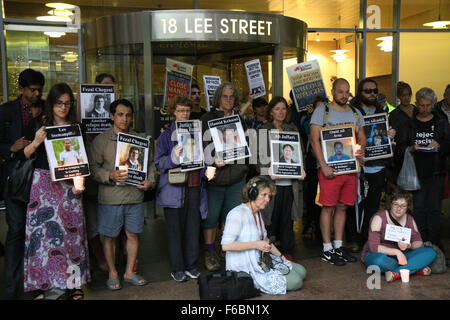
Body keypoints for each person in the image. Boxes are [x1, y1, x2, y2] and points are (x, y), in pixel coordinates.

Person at [19, 83, 90, 300]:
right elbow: (24, 155)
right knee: (42, 237)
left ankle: (74, 284)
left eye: (67, 103)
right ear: (51, 103)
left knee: (73, 234)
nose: (64, 107)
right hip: (43, 184)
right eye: (59, 103)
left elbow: (82, 161)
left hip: (69, 184)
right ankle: (42, 284)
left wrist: (80, 182)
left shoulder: (78, 127)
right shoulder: (37, 125)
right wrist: (38, 141)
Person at [89, 98, 156, 290]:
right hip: (110, 198)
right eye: (120, 114)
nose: (124, 119)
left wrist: (150, 181)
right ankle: (112, 272)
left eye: (128, 115)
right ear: (112, 116)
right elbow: (92, 168)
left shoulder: (139, 139)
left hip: (134, 196)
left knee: (133, 235)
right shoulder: (101, 140)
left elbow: (150, 165)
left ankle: (129, 272)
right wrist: (109, 175)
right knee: (109, 237)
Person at [309, 78, 366, 266]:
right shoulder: (321, 111)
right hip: (330, 169)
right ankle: (327, 248)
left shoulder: (356, 113)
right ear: (333, 91)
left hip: (350, 169)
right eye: (340, 92)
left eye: (347, 92)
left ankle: (339, 246)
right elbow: (314, 140)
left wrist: (360, 149)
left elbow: (362, 137)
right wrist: (323, 165)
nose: (344, 95)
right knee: (328, 207)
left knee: (343, 207)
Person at [155, 96, 212, 282]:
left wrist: (209, 169)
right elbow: (158, 163)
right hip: (173, 189)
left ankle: (191, 265)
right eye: (180, 110)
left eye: (187, 110)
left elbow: (205, 158)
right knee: (174, 230)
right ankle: (177, 268)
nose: (184, 114)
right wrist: (172, 157)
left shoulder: (198, 134)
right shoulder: (165, 135)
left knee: (193, 228)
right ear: (173, 112)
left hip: (195, 186)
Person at [0, 68, 45, 300]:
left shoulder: (47, 109)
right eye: (32, 90)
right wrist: (10, 148)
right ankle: (10, 290)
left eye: (39, 90)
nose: (36, 94)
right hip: (16, 181)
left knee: (38, 234)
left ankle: (36, 285)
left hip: (41, 181)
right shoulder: (7, 111)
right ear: (21, 89)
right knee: (17, 232)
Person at [221, 176, 307, 294]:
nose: (267, 199)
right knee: (297, 281)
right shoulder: (236, 214)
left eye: (269, 196)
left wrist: (282, 258)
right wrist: (256, 245)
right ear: (253, 193)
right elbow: (226, 246)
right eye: (264, 195)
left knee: (302, 271)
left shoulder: (257, 213)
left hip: (260, 259)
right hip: (244, 265)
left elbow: (266, 240)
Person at [200, 82, 249, 271]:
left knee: (232, 217)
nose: (228, 100)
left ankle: (226, 249)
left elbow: (244, 145)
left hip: (236, 177)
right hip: (215, 178)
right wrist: (212, 161)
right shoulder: (207, 118)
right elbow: (202, 146)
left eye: (232, 97)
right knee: (211, 218)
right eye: (225, 97)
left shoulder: (239, 119)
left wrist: (243, 169)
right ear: (218, 98)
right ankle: (210, 251)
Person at [395, 88, 450, 248]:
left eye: (428, 105)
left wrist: (439, 145)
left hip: (436, 171)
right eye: (421, 105)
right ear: (416, 104)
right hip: (415, 173)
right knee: (418, 209)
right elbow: (399, 147)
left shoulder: (441, 121)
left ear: (433, 104)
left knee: (434, 208)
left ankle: (434, 244)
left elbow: (448, 143)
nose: (424, 109)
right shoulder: (409, 124)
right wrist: (412, 148)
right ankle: (419, 243)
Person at [347, 78, 396, 253]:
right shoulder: (352, 111)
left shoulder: (381, 111)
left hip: (378, 167)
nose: (372, 94)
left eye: (374, 91)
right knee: (354, 205)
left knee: (373, 206)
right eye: (368, 91)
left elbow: (384, 137)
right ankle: (353, 238)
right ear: (360, 92)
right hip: (358, 167)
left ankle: (368, 239)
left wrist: (390, 135)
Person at [258, 96, 304, 263]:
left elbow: (300, 155)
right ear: (271, 111)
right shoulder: (264, 129)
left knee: (287, 219)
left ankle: (287, 252)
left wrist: (301, 169)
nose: (281, 112)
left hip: (290, 184)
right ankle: (268, 252)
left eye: (284, 108)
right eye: (277, 109)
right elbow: (259, 159)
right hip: (272, 184)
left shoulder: (292, 129)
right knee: (270, 219)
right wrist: (267, 171)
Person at [361, 188, 437, 282]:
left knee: (430, 252)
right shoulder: (379, 218)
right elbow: (373, 247)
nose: (398, 209)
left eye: (403, 206)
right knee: (378, 261)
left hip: (403, 255)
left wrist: (410, 245)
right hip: (380, 254)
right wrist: (397, 252)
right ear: (390, 204)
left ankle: (396, 273)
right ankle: (413, 268)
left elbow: (419, 242)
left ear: (407, 207)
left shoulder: (410, 219)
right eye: (395, 204)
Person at [302, 95, 329, 240]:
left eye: (323, 108)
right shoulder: (308, 122)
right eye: (318, 107)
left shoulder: (331, 122)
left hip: (328, 165)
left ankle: (322, 228)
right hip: (313, 165)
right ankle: (312, 223)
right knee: (312, 196)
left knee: (326, 198)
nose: (321, 110)